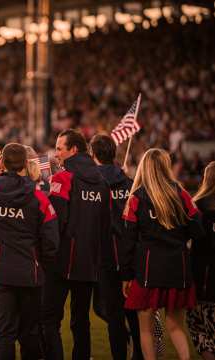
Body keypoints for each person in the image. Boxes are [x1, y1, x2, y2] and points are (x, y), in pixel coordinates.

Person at [0, 143, 60, 360]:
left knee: (4, 336)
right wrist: (40, 263)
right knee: (30, 335)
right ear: (26, 164)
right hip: (30, 275)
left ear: (2, 163)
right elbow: (51, 241)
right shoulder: (39, 198)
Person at [121, 148, 204, 360]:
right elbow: (198, 230)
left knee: (146, 329)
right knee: (176, 326)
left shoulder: (136, 198)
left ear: (144, 168)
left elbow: (128, 240)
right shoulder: (181, 193)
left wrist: (126, 276)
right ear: (165, 167)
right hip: (178, 266)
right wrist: (178, 232)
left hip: (148, 269)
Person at [43, 129, 111, 360]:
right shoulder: (103, 183)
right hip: (89, 263)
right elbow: (106, 226)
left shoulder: (63, 178)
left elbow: (54, 223)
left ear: (73, 150)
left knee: (49, 319)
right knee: (81, 321)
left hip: (61, 262)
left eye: (60, 148)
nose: (56, 153)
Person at [89, 134, 142, 360]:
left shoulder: (92, 184)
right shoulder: (129, 183)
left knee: (109, 311)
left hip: (106, 257)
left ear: (93, 155)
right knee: (130, 311)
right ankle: (138, 352)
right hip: (130, 254)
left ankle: (124, 351)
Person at [187, 161, 215, 360]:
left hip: (204, 276)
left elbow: (191, 240)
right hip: (204, 273)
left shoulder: (198, 205)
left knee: (198, 327)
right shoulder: (198, 205)